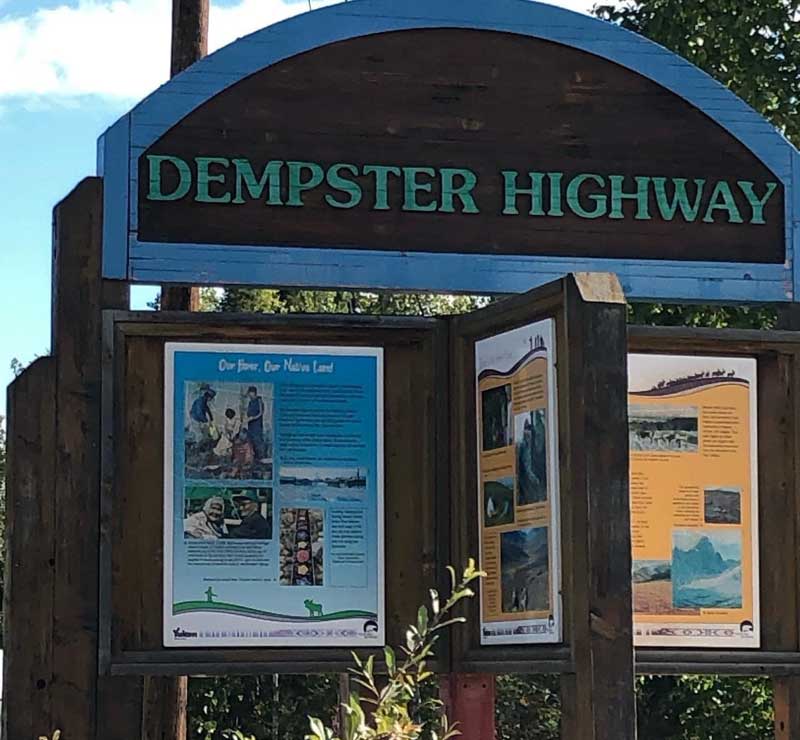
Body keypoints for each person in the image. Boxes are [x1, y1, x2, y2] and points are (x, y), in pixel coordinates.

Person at [245, 386, 268, 461]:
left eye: (249, 393)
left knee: (258, 441)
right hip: (250, 426)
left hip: (257, 425)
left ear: (253, 393)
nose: (249, 395)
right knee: (250, 442)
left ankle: (261, 458)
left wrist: (253, 418)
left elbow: (261, 413)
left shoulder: (259, 400)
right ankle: (253, 459)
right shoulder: (250, 402)